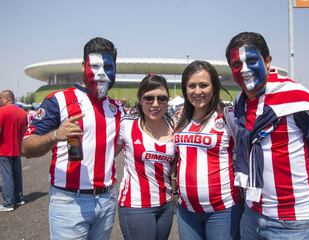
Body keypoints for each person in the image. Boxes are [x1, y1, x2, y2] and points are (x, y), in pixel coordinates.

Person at [225, 31, 309, 240]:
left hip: (294, 223)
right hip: (252, 215)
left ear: (267, 61)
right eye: (237, 65)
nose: (244, 70)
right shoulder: (238, 104)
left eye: (252, 60)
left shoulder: (295, 96)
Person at [22, 37, 124, 239]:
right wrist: (55, 135)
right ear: (83, 66)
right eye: (94, 66)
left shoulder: (117, 108)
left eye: (108, 66)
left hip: (106, 201)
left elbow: (115, 147)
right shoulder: (58, 100)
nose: (101, 73)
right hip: (69, 201)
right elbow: (26, 147)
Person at [173, 60, 243, 240]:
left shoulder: (228, 117)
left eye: (203, 85)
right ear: (185, 89)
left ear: (214, 87)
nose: (197, 91)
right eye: (191, 86)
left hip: (222, 211)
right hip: (186, 211)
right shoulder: (180, 119)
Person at [117, 74, 176, 240]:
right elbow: (105, 155)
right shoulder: (126, 126)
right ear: (140, 99)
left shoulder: (174, 126)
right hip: (136, 205)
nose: (155, 104)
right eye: (149, 98)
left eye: (162, 98)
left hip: (166, 204)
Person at [0, 90, 28, 211]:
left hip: (4, 149)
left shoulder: (1, 111)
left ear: (6, 99)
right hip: (17, 148)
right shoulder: (22, 112)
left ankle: (8, 203)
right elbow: (25, 130)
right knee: (17, 174)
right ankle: (18, 198)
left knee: (7, 176)